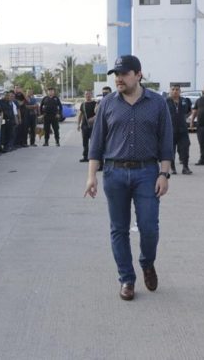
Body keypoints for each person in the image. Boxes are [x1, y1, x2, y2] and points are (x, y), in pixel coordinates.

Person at [84, 55, 173, 302]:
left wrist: (164, 174)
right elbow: (96, 143)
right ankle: (126, 279)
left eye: (123, 74)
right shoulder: (107, 104)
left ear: (138, 74)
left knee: (149, 227)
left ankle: (147, 262)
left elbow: (166, 141)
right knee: (118, 229)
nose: (118, 79)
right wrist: (91, 176)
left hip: (147, 173)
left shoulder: (157, 103)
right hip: (115, 173)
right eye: (116, 74)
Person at [166, 85, 193, 175]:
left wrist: (183, 118)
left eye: (177, 90)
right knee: (171, 150)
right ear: (170, 91)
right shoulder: (165, 101)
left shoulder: (185, 101)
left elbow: (190, 111)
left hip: (183, 130)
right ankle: (172, 168)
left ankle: (185, 167)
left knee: (185, 148)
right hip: (170, 130)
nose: (175, 91)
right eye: (173, 89)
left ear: (180, 91)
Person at [77, 90, 97, 162]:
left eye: (89, 94)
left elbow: (98, 114)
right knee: (85, 142)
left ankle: (92, 157)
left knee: (93, 142)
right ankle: (85, 156)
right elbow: (80, 115)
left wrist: (93, 118)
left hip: (93, 126)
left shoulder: (95, 103)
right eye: (86, 94)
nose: (88, 95)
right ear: (84, 95)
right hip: (84, 126)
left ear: (91, 95)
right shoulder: (83, 104)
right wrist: (78, 124)